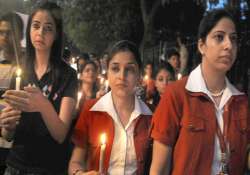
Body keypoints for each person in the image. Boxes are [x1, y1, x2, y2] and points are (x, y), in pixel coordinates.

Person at [150, 9, 249, 175]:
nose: (229, 45)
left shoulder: (241, 101)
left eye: (233, 39)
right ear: (201, 45)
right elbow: (159, 168)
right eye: (219, 37)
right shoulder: (177, 94)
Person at [1, 2, 77, 174]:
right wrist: (8, 126)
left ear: (57, 34)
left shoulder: (68, 76)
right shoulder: (21, 69)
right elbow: (8, 135)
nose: (40, 33)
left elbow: (60, 134)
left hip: (49, 168)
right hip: (16, 165)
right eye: (36, 26)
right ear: (29, 30)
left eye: (48, 28)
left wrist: (43, 105)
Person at [69, 40, 152, 175]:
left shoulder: (151, 115)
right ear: (107, 72)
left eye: (129, 69)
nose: (121, 76)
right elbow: (76, 161)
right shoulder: (91, 110)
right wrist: (79, 173)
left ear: (139, 75)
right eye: (115, 68)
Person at [0, 12, 24, 174]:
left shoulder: (30, 66)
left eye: (10, 32)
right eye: (1, 32)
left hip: (18, 145)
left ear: (20, 35)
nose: (4, 37)